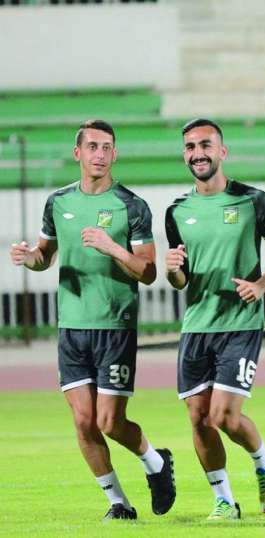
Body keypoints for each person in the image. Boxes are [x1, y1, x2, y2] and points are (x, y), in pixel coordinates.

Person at [9, 119, 175, 521]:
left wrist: (112, 248)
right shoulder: (58, 202)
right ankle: (119, 503)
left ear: (115, 154)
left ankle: (156, 462)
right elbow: (45, 256)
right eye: (92, 147)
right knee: (84, 422)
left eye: (106, 148)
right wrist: (29, 258)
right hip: (71, 328)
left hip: (115, 326)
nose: (100, 154)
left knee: (109, 421)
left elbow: (148, 271)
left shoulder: (131, 205)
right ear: (78, 153)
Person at [165, 118, 265, 520]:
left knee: (223, 415)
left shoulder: (253, 201)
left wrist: (261, 286)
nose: (198, 153)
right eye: (190, 147)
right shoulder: (176, 211)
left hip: (240, 324)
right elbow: (181, 280)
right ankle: (224, 501)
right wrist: (172, 270)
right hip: (196, 326)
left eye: (206, 145)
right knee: (199, 419)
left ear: (223, 152)